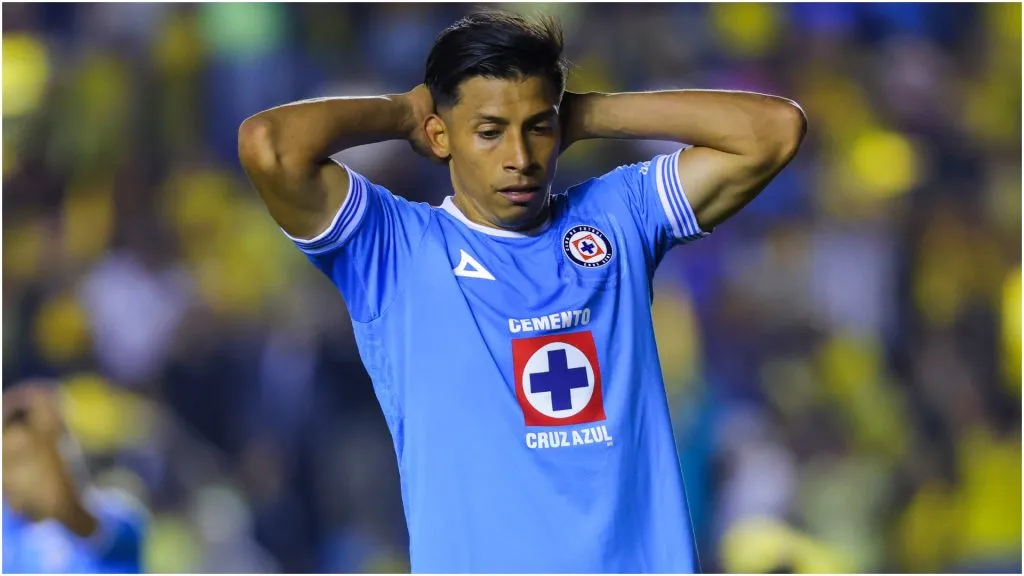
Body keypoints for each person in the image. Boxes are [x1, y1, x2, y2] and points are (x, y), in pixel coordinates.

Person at [238, 10, 806, 573]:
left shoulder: (617, 218)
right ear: (441, 136)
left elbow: (773, 131)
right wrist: (403, 112)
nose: (521, 158)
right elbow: (270, 144)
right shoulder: (395, 250)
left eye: (538, 127)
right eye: (489, 132)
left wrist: (588, 111)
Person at [2, 382, 146, 573]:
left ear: (61, 454)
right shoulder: (7, 536)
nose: (7, 476)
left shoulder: (121, 516)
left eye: (20, 459)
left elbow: (94, 530)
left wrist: (65, 502)